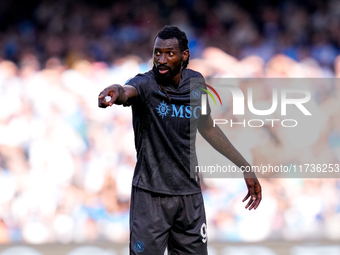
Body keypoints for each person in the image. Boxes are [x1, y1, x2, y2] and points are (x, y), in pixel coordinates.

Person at [98, 25, 262, 255]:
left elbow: (208, 127)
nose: (161, 59)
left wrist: (244, 166)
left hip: (189, 195)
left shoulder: (196, 83)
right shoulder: (145, 84)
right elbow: (127, 91)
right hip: (151, 195)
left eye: (169, 53)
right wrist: (115, 92)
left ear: (184, 56)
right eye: (157, 53)